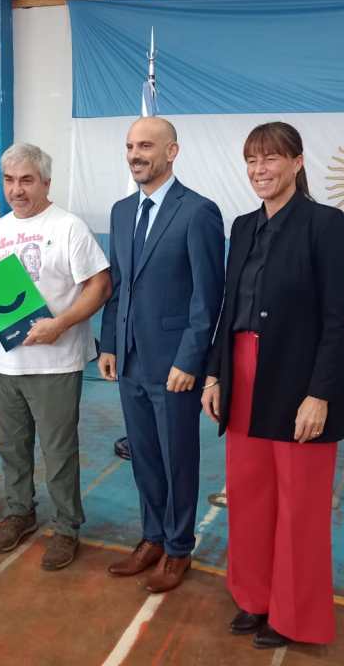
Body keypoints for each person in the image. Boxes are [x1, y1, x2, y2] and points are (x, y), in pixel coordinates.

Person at [201, 122, 344, 649]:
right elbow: (228, 309)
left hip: (298, 377)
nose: (259, 169)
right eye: (252, 160)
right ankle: (254, 597)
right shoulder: (243, 226)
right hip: (242, 371)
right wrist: (216, 373)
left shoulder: (324, 224)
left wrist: (320, 393)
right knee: (248, 494)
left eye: (270, 158)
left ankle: (293, 616)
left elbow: (338, 319)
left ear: (297, 163)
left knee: (300, 506)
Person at [99, 117, 224, 593]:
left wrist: (190, 360)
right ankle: (152, 538)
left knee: (177, 459)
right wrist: (110, 343)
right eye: (131, 146)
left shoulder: (198, 212)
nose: (136, 154)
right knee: (145, 457)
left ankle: (178, 548)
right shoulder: (120, 212)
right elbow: (118, 285)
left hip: (174, 365)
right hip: (130, 360)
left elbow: (207, 298)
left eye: (146, 146)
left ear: (172, 152)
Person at [0, 143, 110, 571]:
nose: (17, 189)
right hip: (5, 363)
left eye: (27, 180)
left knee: (58, 452)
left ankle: (67, 527)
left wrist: (61, 323)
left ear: (46, 183)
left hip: (56, 364)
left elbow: (100, 285)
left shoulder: (69, 227)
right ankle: (20, 512)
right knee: (11, 447)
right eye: (10, 180)